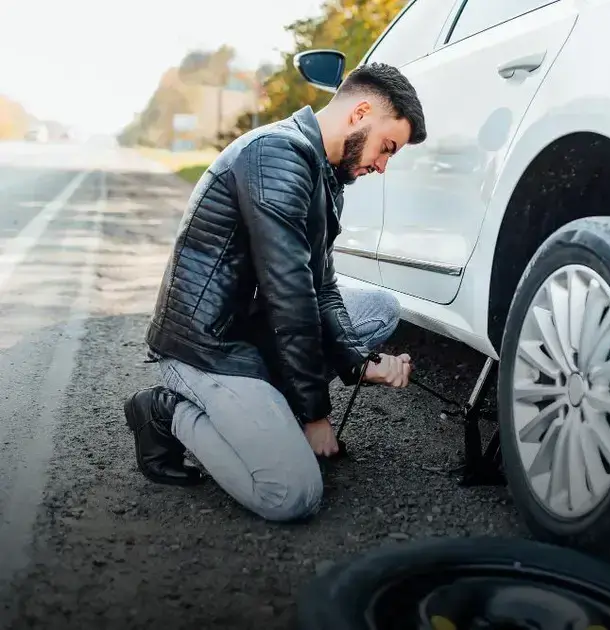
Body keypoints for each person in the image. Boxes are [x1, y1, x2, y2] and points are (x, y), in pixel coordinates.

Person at [123, 62, 426, 522]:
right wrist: (315, 416)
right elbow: (292, 297)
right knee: (291, 495)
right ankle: (166, 411)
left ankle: (266, 410)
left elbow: (321, 287)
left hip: (252, 329)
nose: (382, 166)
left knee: (380, 308)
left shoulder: (326, 173)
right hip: (208, 347)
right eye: (387, 148)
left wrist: (359, 363)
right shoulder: (277, 156)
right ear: (361, 111)